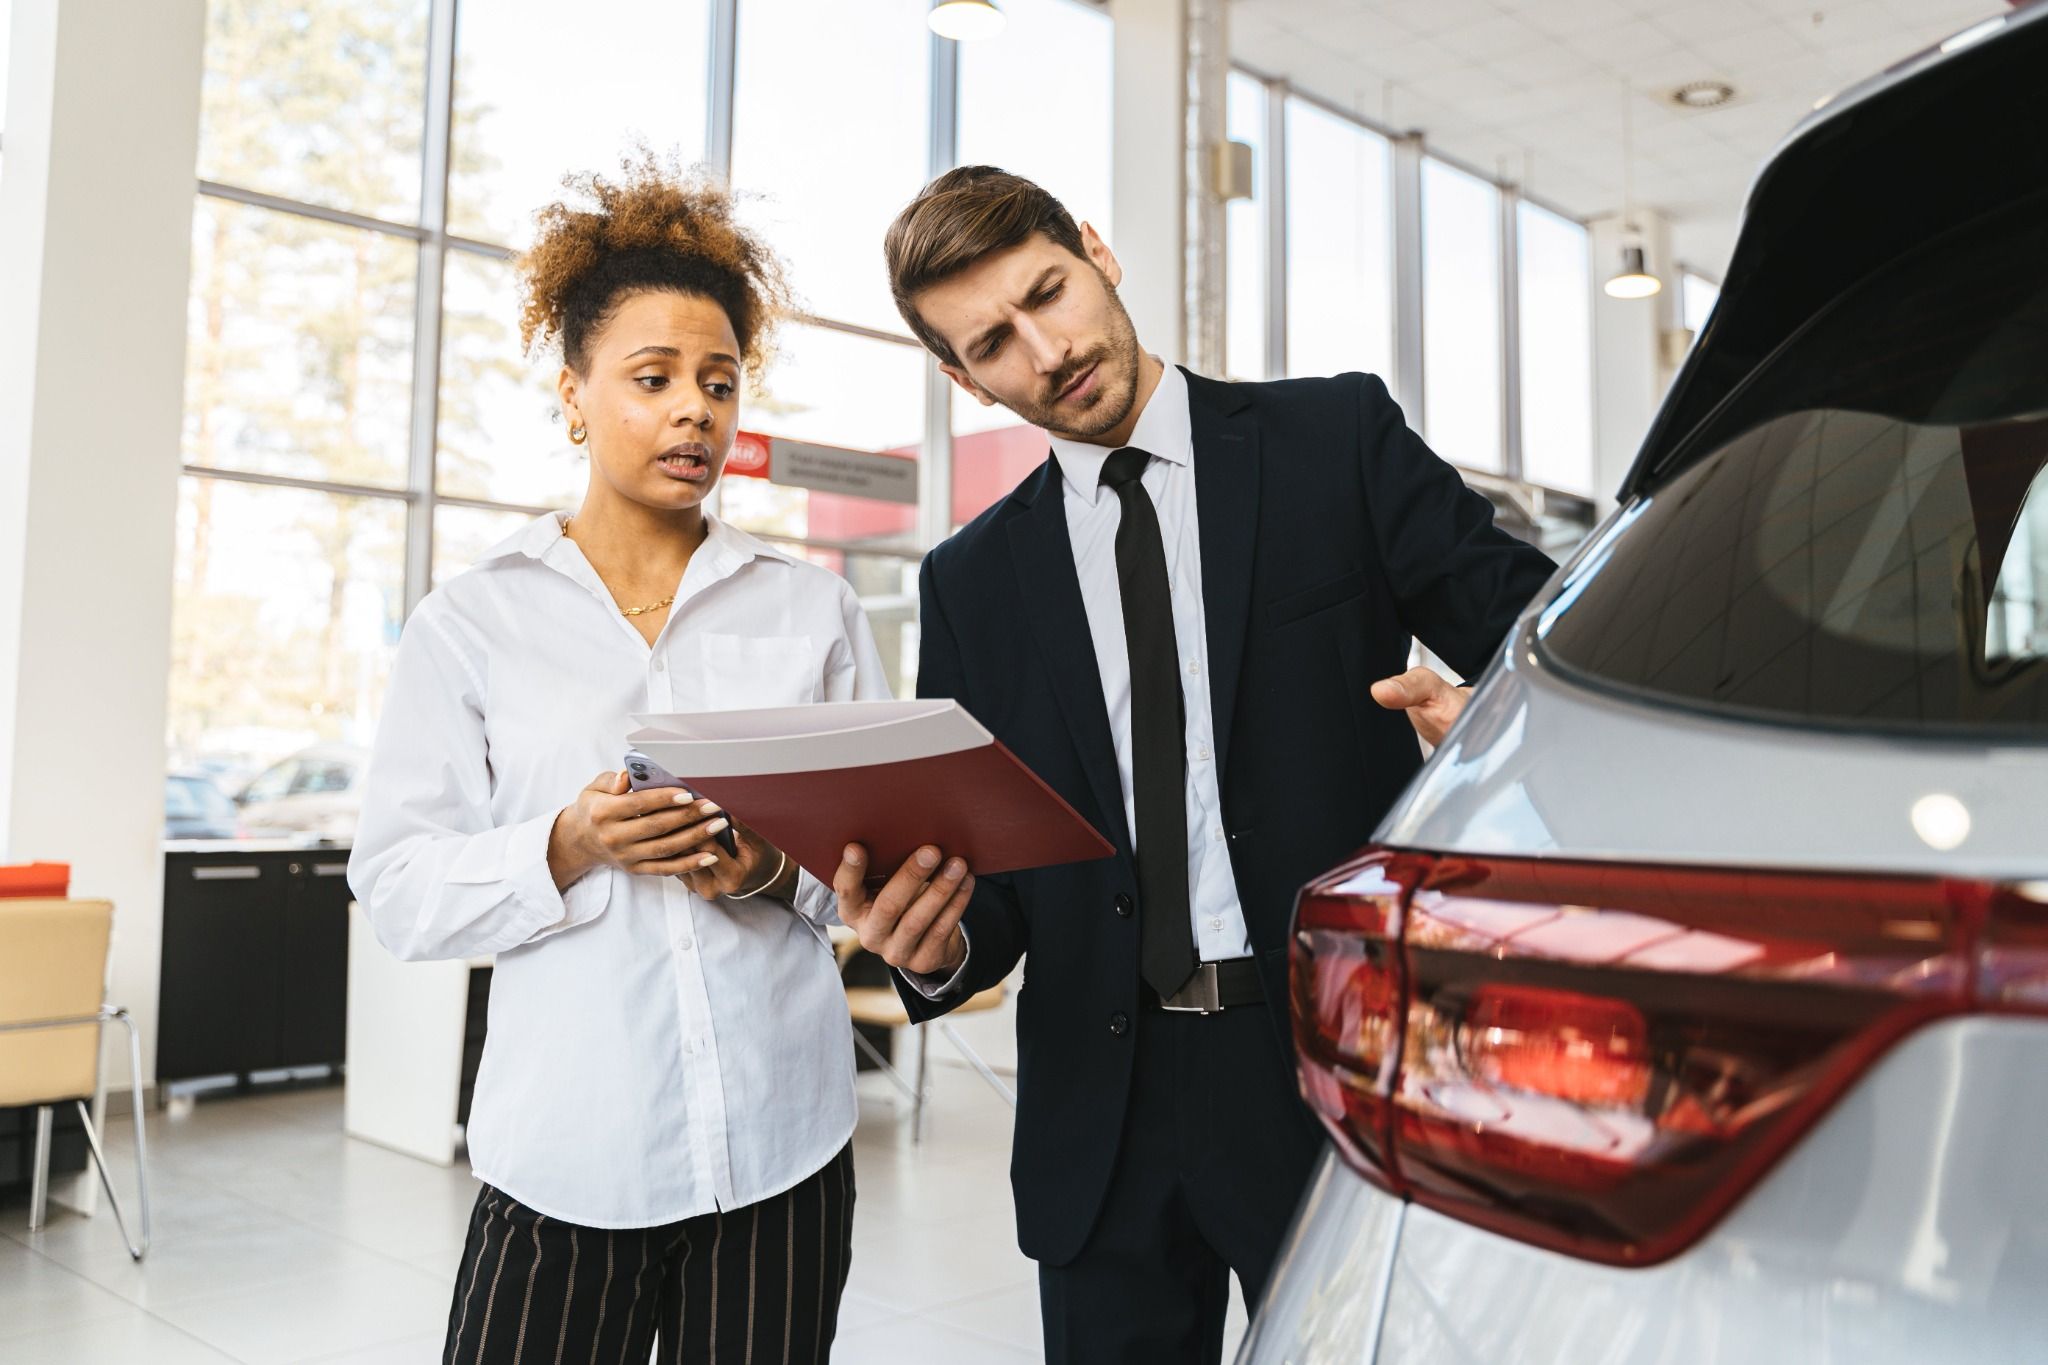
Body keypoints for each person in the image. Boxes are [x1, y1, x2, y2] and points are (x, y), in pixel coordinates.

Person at [828, 165, 1558, 1363]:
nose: (1045, 350)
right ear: (963, 380)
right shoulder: (970, 584)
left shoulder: (1332, 439)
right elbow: (992, 890)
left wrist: (1489, 728)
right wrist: (935, 936)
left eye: (1047, 293)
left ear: (1097, 253)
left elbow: (1543, 636)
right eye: (993, 344)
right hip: (1097, 1120)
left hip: (1326, 1068)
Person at [347, 158, 890, 1365]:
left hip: (780, 1155)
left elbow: (862, 866)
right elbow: (394, 888)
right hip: (564, 1160)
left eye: (717, 382)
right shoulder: (471, 623)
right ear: (574, 397)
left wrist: (763, 871)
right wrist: (567, 842)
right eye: (651, 380)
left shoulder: (809, 614)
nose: (693, 410)